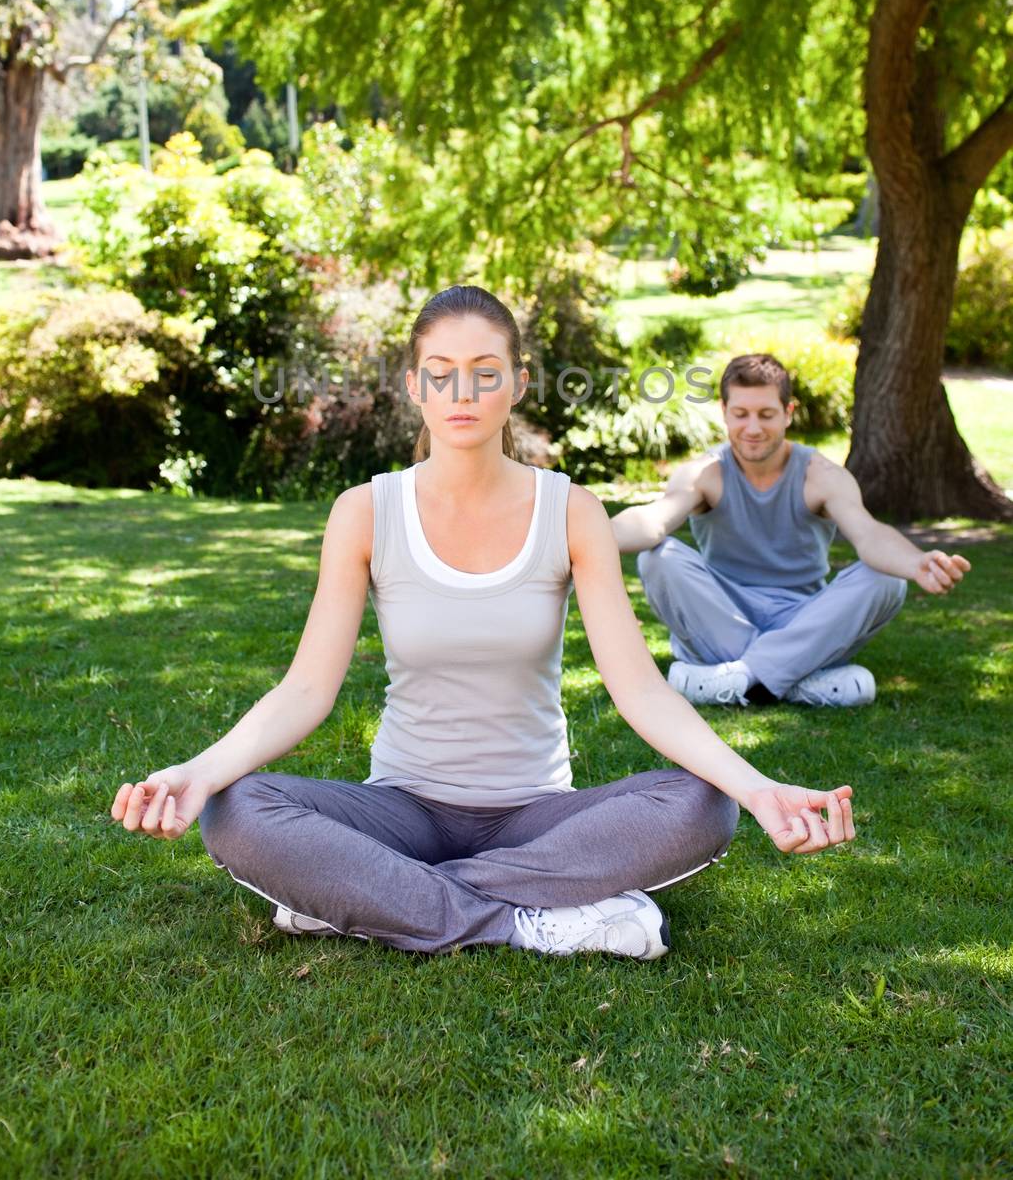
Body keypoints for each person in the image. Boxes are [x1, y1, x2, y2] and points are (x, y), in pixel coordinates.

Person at [111, 290, 856, 962]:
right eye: (439, 372)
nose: (460, 391)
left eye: (484, 370)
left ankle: (366, 901)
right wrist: (197, 773)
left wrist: (759, 790)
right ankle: (525, 920)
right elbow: (305, 689)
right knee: (237, 809)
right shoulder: (364, 513)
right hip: (401, 808)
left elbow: (641, 692)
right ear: (413, 387)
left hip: (537, 819)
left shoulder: (572, 512)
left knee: (703, 804)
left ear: (518, 384)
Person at [611, 352, 971, 709]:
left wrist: (916, 562)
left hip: (802, 618)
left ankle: (739, 678)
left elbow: (869, 534)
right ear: (724, 411)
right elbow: (653, 520)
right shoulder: (706, 472)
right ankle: (795, 678)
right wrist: (584, 538)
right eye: (741, 414)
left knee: (887, 580)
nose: (753, 428)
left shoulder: (821, 475)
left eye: (766, 414)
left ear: (788, 412)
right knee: (658, 558)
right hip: (722, 615)